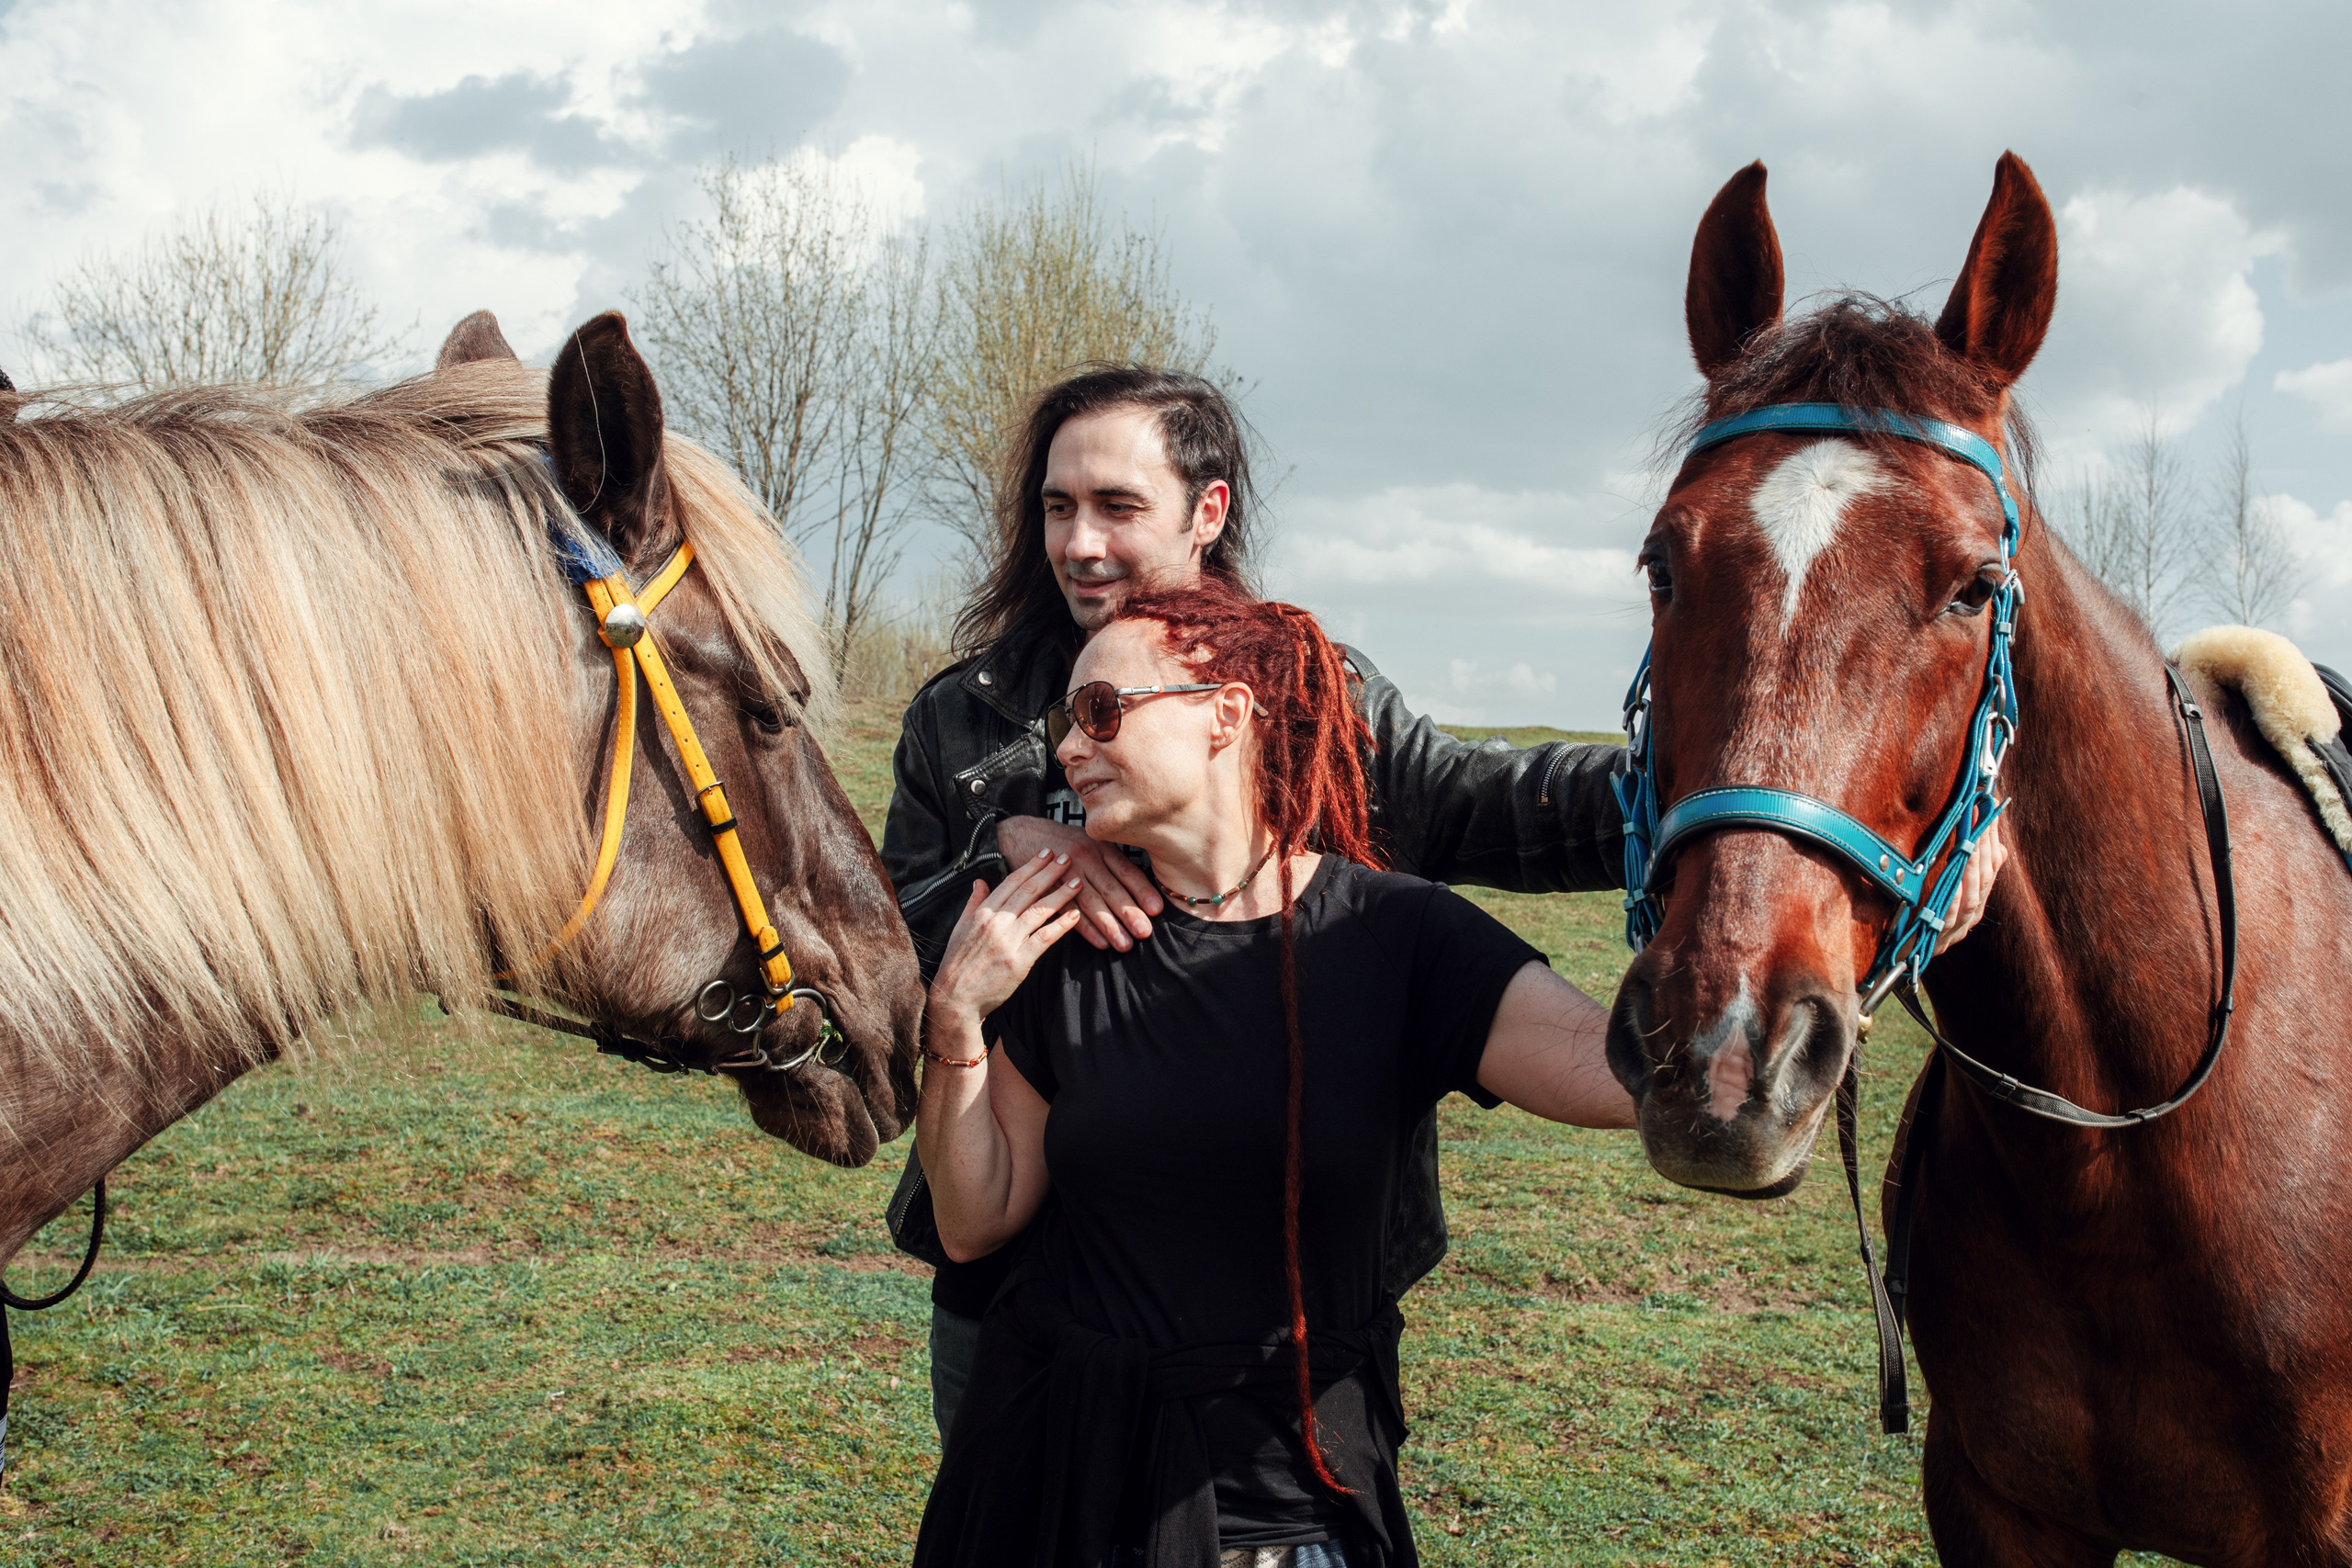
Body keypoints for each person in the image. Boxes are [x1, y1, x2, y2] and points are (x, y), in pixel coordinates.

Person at [879, 366, 2006, 1438]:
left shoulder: (1316, 697)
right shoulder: (962, 717)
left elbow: (1506, 804)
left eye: (1116, 505)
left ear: (1205, 510)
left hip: (1282, 1302)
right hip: (1020, 1280)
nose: (1079, 542)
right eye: (1057, 506)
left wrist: (1817, 816)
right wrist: (1005, 848)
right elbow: (878, 945)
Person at [910, 579, 1637, 1567]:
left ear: (1225, 716)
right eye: (1062, 721)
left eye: (1100, 712)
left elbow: (1625, 1076)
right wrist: (956, 1019)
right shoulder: (1069, 940)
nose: (1068, 749)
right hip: (1053, 1488)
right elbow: (973, 1218)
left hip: (1291, 1515)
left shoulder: (1399, 937)